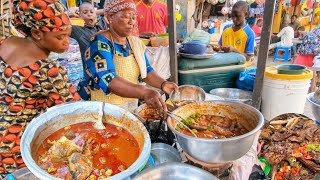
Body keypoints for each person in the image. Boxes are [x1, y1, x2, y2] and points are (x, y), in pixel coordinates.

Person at [0, 0, 80, 177]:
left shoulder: (6, 43)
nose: (67, 42)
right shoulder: (48, 70)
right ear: (36, 33)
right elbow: (76, 112)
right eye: (60, 37)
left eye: (69, 35)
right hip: (17, 149)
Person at [78, 0, 177, 111]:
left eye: (134, 17)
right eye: (126, 16)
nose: (132, 22)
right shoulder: (99, 43)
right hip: (103, 110)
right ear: (110, 17)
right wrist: (144, 92)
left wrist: (163, 84)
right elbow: (108, 79)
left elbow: (147, 70)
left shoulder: (134, 43)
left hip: (129, 108)